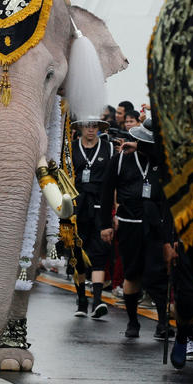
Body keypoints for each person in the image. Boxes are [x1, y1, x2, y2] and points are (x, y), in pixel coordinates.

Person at [100, 119, 178, 340]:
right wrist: (105, 224)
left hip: (155, 226)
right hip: (128, 225)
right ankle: (133, 321)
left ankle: (163, 323)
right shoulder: (119, 160)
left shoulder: (162, 163)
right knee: (131, 273)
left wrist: (171, 236)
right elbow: (106, 193)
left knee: (158, 274)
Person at [71, 118, 114, 319]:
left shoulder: (109, 149)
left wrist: (116, 209)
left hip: (100, 205)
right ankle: (81, 300)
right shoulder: (71, 148)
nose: (91, 129)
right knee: (77, 255)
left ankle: (97, 300)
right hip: (77, 207)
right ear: (80, 127)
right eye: (87, 126)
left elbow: (114, 182)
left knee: (99, 254)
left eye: (94, 126)